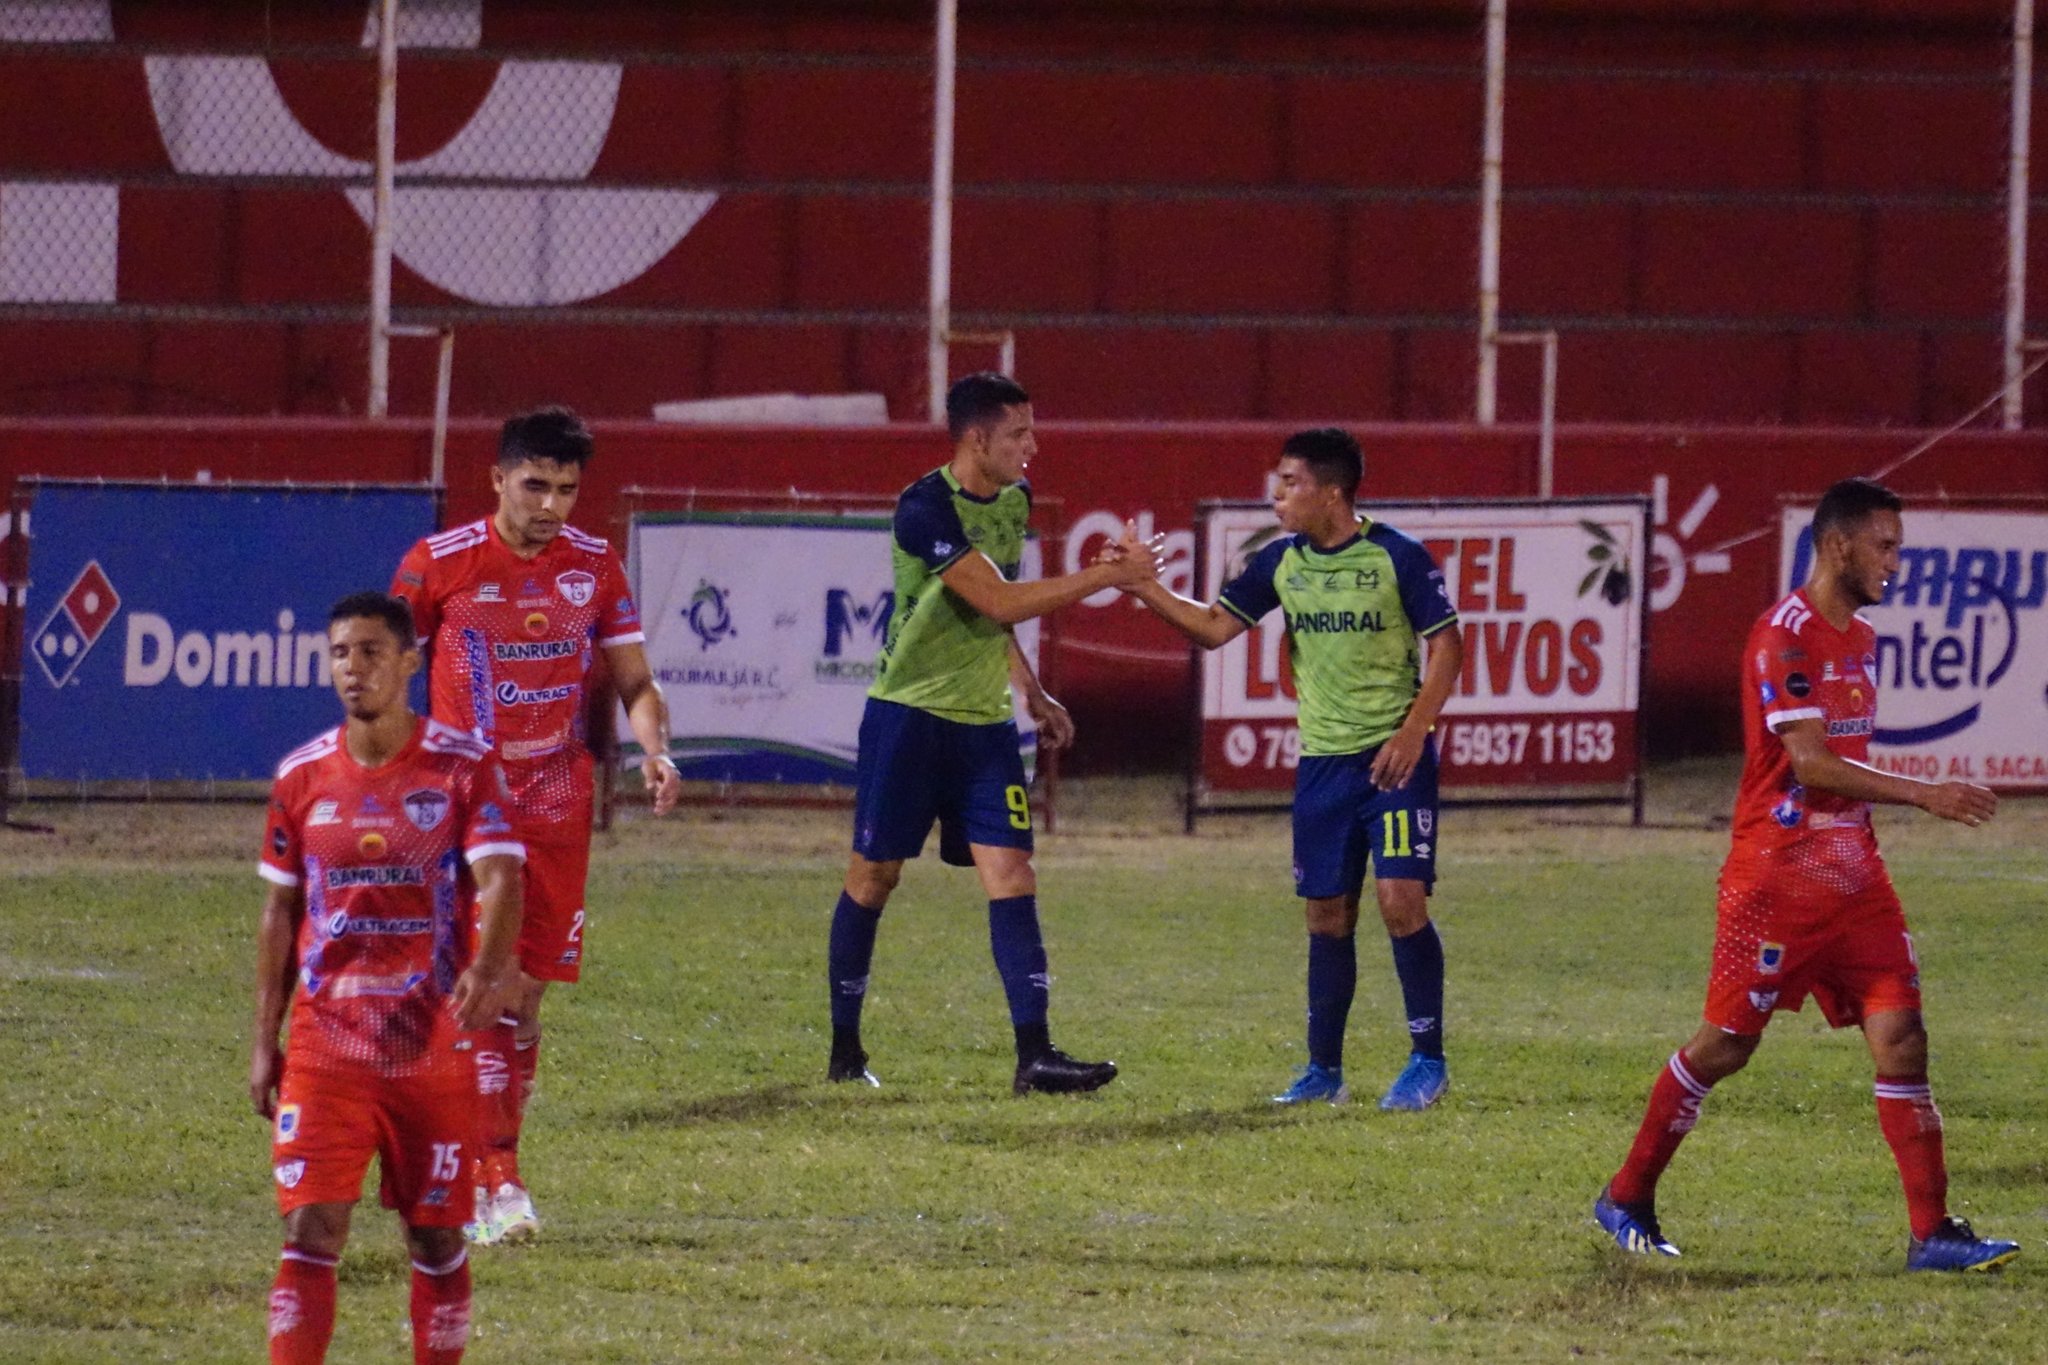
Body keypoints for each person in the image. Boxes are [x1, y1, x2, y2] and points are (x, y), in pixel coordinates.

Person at [1593, 477, 2017, 1272]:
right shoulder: (1779, 638)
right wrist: (1925, 792)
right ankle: (1626, 1193)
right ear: (1838, 545)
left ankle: (1932, 1235)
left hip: (1857, 880)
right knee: (1725, 1047)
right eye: (1885, 545)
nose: (1898, 561)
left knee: (1902, 1036)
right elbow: (1815, 765)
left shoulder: (1859, 636)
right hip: (1775, 881)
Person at [390, 406, 681, 1244]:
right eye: (535, 485)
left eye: (566, 488)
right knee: (490, 984)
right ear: (497, 480)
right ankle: (494, 1182)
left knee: (523, 1003)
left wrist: (658, 750)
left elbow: (635, 682)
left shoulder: (593, 566)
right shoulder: (437, 563)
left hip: (558, 801)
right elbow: (385, 658)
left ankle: (486, 1159)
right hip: (468, 804)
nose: (551, 503)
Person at [825, 371, 1160, 1094]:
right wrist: (1106, 575)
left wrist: (1030, 689)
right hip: (908, 717)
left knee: (1012, 874)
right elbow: (996, 594)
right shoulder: (923, 508)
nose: (1034, 446)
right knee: (874, 877)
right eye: (1020, 433)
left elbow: (995, 615)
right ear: (977, 438)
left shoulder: (1014, 502)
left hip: (982, 726)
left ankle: (1034, 1055)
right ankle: (844, 1049)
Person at [1116, 428, 1463, 1110]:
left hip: (1393, 759)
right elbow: (1214, 627)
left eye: (1289, 483)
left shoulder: (1397, 556)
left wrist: (1414, 731)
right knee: (1326, 914)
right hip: (1322, 766)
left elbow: (1447, 644)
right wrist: (1145, 587)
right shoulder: (1280, 563)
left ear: (1331, 492)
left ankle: (1428, 1058)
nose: (1275, 496)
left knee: (1401, 903)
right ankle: (1322, 1071)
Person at [250, 591, 525, 1364]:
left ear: (409, 662)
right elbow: (279, 913)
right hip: (325, 1049)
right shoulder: (301, 777)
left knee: (437, 1236)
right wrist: (262, 1040)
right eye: (341, 652)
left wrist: (486, 965)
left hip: (429, 1047)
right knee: (310, 1227)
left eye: (371, 651)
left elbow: (503, 877)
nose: (353, 668)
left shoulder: (462, 770)